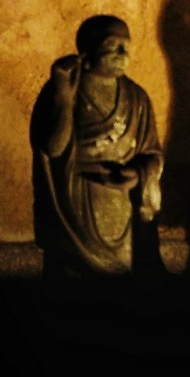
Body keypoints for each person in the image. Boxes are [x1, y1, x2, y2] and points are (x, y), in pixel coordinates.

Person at [30, 16, 163, 275]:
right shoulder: (65, 90)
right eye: (114, 45)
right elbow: (53, 151)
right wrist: (64, 99)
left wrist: (137, 176)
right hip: (75, 198)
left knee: (120, 286)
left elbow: (152, 154)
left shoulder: (137, 98)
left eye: (127, 45)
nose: (124, 53)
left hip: (120, 206)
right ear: (89, 50)